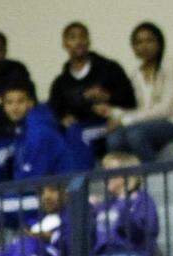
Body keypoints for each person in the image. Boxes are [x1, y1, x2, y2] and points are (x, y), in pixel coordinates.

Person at [48, 22, 136, 163]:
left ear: (88, 41)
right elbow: (55, 109)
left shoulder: (109, 68)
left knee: (79, 134)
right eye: (72, 37)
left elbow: (131, 100)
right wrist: (63, 118)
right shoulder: (61, 82)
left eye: (82, 37)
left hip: (109, 124)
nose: (78, 41)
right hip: (78, 127)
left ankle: (79, 177)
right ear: (65, 44)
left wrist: (108, 97)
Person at [101, 23, 173, 162]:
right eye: (139, 42)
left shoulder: (170, 65)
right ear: (133, 48)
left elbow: (166, 108)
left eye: (149, 40)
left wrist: (126, 120)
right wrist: (112, 112)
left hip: (171, 123)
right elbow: (135, 109)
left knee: (135, 135)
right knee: (114, 138)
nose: (144, 46)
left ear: (159, 43)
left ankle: (155, 173)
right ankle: (127, 174)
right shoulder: (135, 74)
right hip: (142, 124)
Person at [83, 152, 159, 256]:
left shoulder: (141, 199)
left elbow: (143, 232)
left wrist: (125, 206)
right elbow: (91, 240)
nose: (105, 176)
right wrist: (89, 213)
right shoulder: (104, 205)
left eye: (110, 171)